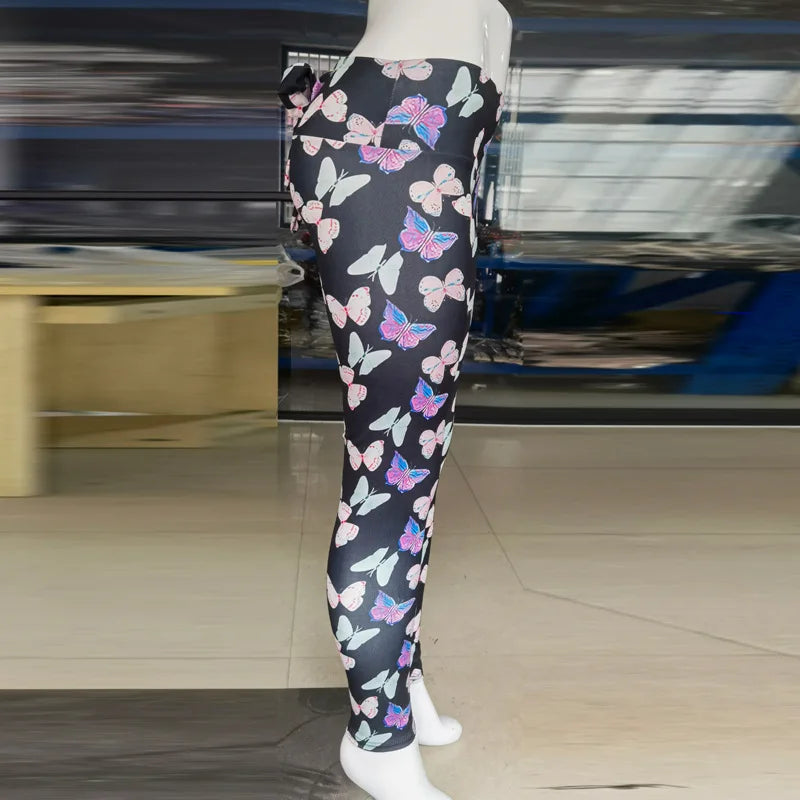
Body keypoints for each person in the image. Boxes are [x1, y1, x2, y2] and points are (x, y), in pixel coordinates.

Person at [278, 1, 512, 796]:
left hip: (428, 173)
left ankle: (400, 681)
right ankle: (376, 736)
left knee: (419, 463)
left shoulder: (494, 17)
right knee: (390, 473)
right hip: (384, 157)